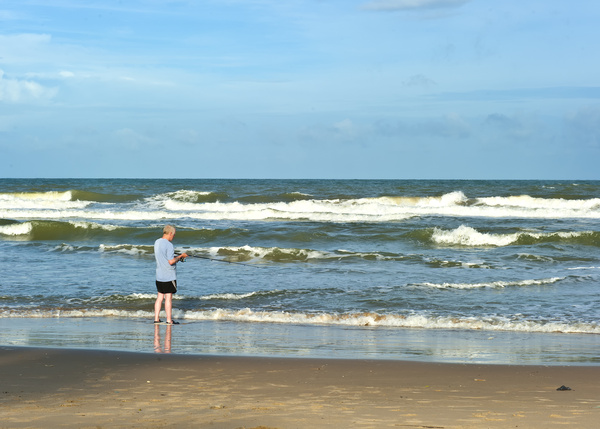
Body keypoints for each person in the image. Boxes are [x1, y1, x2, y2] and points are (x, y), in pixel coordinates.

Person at [154, 225, 187, 325]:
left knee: (160, 297)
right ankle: (169, 320)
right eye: (174, 235)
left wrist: (177, 257)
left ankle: (156, 319)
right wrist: (181, 256)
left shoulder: (157, 242)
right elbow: (171, 261)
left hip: (159, 275)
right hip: (168, 275)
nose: (174, 237)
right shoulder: (169, 245)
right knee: (168, 297)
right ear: (170, 233)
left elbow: (165, 257)